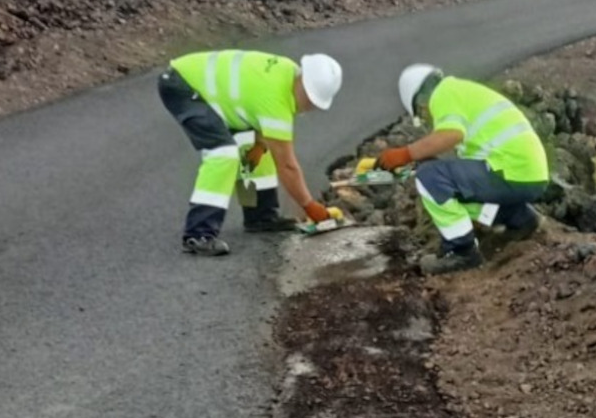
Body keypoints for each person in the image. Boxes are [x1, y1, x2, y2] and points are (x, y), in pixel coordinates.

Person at [158, 49, 342, 256]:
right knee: (223, 153)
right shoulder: (276, 99)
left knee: (255, 148)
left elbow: (259, 112)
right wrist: (309, 206)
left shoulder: (288, 72)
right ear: (302, 82)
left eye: (314, 104)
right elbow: (287, 166)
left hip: (209, 91)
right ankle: (198, 234)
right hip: (183, 86)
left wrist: (260, 144)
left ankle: (259, 216)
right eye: (309, 100)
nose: (308, 107)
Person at [374, 66, 550, 275]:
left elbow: (451, 135)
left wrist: (405, 153)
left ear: (421, 103)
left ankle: (461, 251)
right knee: (450, 188)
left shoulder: (442, 94)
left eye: (422, 115)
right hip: (527, 173)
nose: (427, 119)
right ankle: (520, 218)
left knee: (429, 177)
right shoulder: (460, 91)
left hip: (509, 169)